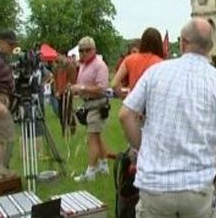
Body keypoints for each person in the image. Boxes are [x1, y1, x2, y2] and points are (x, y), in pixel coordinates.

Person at [119, 17, 216, 218]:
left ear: (183, 42)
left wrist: (144, 147)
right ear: (211, 47)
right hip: (198, 191)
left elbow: (126, 114)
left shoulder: (155, 73)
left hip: (155, 187)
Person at [70, 36, 110, 182]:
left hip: (97, 105)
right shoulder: (83, 65)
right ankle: (103, 165)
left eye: (88, 50)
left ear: (94, 50)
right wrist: (76, 90)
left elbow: (101, 88)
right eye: (81, 50)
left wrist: (81, 87)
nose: (84, 53)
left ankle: (90, 171)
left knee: (91, 139)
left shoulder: (100, 65)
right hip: (88, 104)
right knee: (97, 137)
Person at [112, 29, 163, 99]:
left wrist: (123, 97)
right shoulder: (161, 63)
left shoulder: (129, 59)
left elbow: (115, 83)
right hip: (150, 103)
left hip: (132, 101)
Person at [0, 30, 17, 172]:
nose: (12, 48)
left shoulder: (2, 58)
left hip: (2, 99)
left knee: (4, 136)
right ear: (1, 42)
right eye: (10, 44)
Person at [52, 53, 77, 135]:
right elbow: (55, 80)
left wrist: (62, 91)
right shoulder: (57, 67)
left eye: (59, 55)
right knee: (61, 113)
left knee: (68, 111)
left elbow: (72, 81)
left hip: (67, 93)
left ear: (64, 55)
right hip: (59, 94)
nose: (58, 57)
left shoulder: (70, 67)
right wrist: (56, 91)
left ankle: (72, 128)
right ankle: (63, 130)